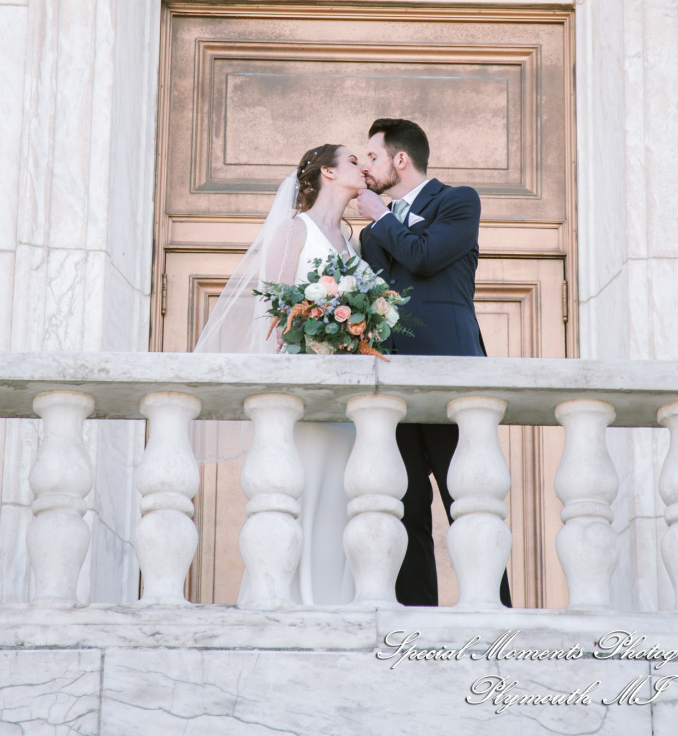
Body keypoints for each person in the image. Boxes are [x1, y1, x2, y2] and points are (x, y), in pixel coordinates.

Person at [194, 143, 365, 605]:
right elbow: (274, 314)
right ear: (329, 172)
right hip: (305, 397)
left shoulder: (353, 242)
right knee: (301, 497)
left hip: (346, 403)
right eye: (353, 160)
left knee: (341, 505)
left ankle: (334, 605)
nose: (364, 167)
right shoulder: (294, 230)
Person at [357, 117, 511, 608]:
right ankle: (412, 621)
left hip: (454, 377)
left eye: (373, 157)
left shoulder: (458, 201)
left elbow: (424, 257)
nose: (366, 167)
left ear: (401, 159)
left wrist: (383, 216)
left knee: (470, 501)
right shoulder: (372, 233)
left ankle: (493, 614)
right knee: (404, 510)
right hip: (392, 384)